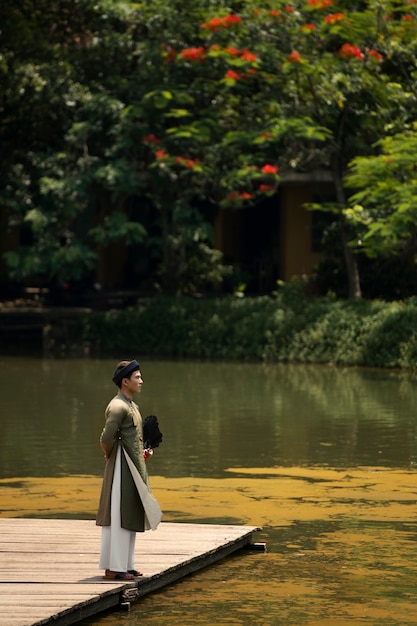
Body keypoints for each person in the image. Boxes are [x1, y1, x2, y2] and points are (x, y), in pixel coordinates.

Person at [96, 359, 161, 581]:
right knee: (119, 514)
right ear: (125, 381)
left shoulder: (133, 406)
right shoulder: (117, 406)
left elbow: (133, 438)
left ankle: (126, 564)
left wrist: (143, 451)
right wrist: (112, 456)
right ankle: (114, 567)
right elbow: (106, 438)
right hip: (121, 467)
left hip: (133, 466)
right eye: (137, 377)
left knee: (130, 513)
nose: (141, 381)